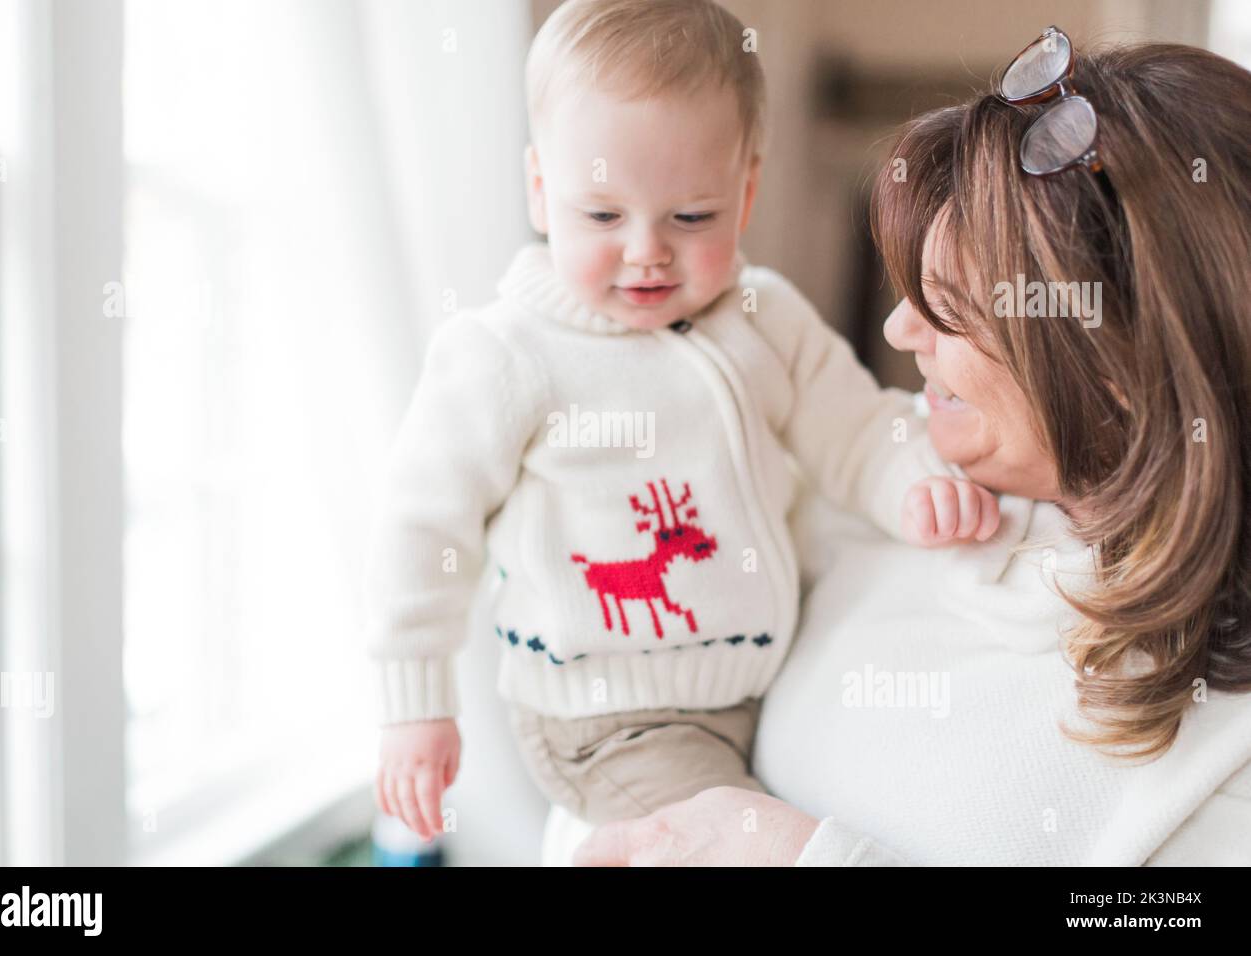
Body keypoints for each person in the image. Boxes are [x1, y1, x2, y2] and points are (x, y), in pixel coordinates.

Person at [565, 34, 1251, 866]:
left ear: (1121, 366)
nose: (899, 329)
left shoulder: (1223, 755)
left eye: (951, 306)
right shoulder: (875, 484)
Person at [364, 0, 993, 843]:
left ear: (746, 190)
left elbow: (855, 427)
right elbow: (418, 524)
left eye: (690, 217)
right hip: (610, 718)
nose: (647, 251)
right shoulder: (503, 355)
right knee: (730, 841)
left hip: (753, 685)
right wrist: (415, 701)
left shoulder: (767, 317)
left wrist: (915, 481)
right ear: (541, 191)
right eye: (602, 216)